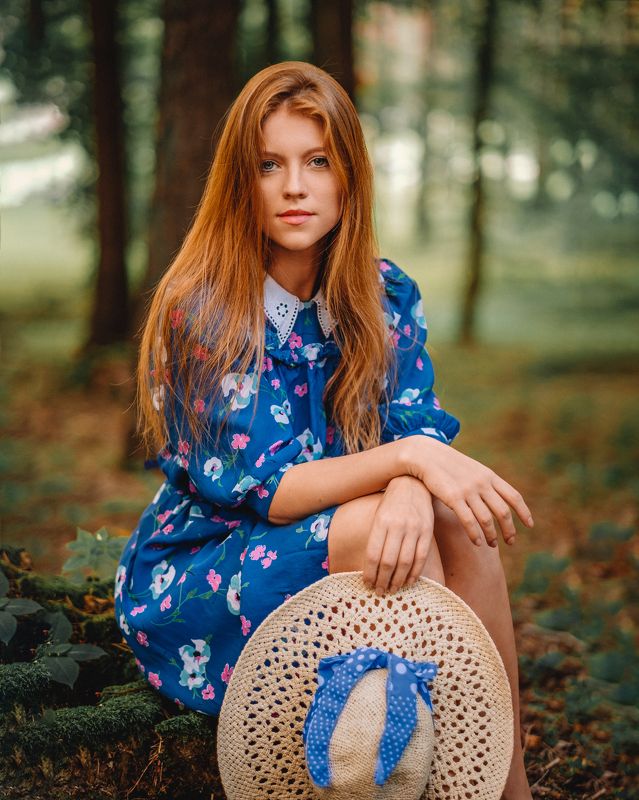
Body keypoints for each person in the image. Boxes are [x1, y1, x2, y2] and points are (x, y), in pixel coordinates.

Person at [114, 61, 534, 799]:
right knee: (387, 526)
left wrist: (410, 480)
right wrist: (406, 465)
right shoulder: (204, 310)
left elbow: (415, 421)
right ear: (238, 181)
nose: (294, 187)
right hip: (210, 563)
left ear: (349, 178)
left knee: (456, 525)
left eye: (317, 162)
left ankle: (502, 782)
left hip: (345, 527)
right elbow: (271, 489)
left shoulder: (384, 294)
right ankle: (404, 776)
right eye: (268, 165)